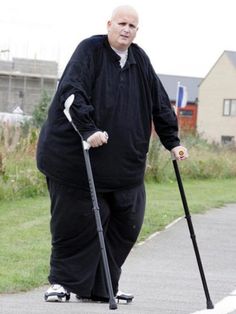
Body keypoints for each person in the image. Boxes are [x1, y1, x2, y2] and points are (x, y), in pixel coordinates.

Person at [37, 5, 188, 303]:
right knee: (76, 221)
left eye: (132, 26)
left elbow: (159, 103)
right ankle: (62, 283)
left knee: (127, 220)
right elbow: (70, 93)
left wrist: (173, 141)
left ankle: (102, 286)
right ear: (109, 24)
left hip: (124, 167)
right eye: (121, 23)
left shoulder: (139, 60)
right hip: (75, 162)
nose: (126, 29)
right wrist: (88, 129)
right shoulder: (89, 51)